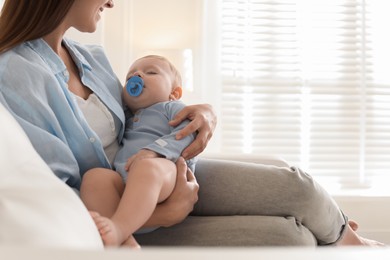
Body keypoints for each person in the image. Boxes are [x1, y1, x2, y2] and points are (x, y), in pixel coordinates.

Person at [0, 0, 383, 248]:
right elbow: (58, 194)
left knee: (295, 186)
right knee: (288, 239)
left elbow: (143, 115)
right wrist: (164, 214)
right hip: (118, 216)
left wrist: (204, 112)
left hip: (158, 173)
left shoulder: (91, 57)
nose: (112, 2)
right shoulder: (13, 71)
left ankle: (347, 239)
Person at [80, 55, 198, 248]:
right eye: (130, 77)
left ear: (174, 93)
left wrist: (154, 151)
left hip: (167, 178)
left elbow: (189, 133)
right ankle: (125, 241)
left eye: (150, 72)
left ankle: (118, 228)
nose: (137, 75)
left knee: (147, 167)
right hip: (127, 192)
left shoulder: (172, 108)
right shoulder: (125, 116)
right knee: (95, 177)